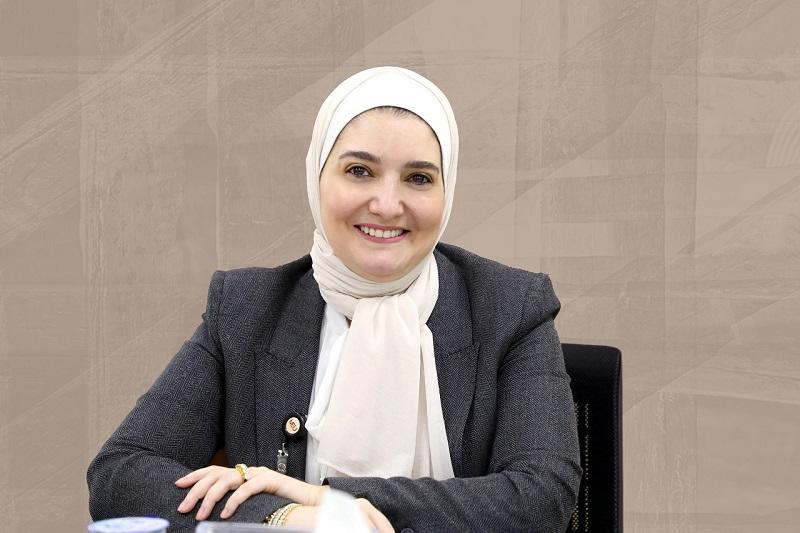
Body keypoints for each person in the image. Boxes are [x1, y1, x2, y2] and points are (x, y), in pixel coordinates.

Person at [87, 66, 582, 533]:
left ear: (446, 191)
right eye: (360, 171)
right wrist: (286, 518)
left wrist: (330, 499)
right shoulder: (246, 309)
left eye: (418, 178)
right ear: (316, 177)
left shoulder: (511, 308)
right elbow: (120, 475)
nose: (386, 204)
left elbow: (543, 497)